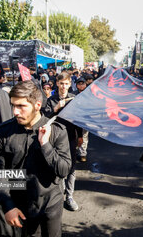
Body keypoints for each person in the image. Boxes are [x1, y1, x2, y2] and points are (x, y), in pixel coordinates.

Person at [0, 80, 71, 237]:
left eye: (21, 106)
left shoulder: (56, 131)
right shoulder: (4, 132)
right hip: (20, 204)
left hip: (50, 202)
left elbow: (64, 169)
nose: (15, 112)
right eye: (13, 105)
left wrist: (45, 145)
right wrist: (8, 206)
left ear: (37, 106)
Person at [44, 73, 83, 212]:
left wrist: (80, 136)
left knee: (71, 167)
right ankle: (56, 194)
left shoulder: (74, 99)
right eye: (61, 83)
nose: (63, 86)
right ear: (57, 83)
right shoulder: (51, 100)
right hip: (55, 138)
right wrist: (55, 109)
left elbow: (78, 119)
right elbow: (45, 118)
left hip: (71, 136)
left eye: (66, 83)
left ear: (69, 84)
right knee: (55, 165)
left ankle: (69, 196)